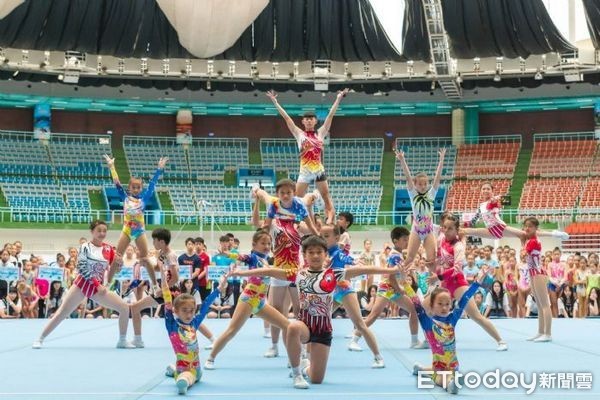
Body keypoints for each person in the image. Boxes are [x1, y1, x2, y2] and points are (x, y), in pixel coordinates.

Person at [228, 235, 399, 389]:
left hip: (323, 330)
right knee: (292, 327)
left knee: (317, 379)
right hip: (305, 326)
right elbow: (269, 271)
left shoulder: (335, 274)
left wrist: (392, 271)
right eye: (311, 252)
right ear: (305, 255)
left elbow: (364, 270)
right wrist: (241, 273)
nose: (315, 255)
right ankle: (296, 374)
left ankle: (304, 366)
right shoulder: (298, 274)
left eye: (319, 252)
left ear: (326, 255)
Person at [32, 220, 132, 349]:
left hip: (98, 289)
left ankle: (122, 340)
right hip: (82, 285)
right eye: (99, 231)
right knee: (62, 313)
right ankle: (40, 338)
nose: (102, 233)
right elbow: (82, 268)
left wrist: (120, 263)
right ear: (92, 232)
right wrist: (97, 285)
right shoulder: (85, 247)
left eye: (104, 231)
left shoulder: (109, 249)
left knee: (124, 307)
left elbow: (115, 269)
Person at [204, 230, 292, 370]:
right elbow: (241, 256)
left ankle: (294, 359)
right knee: (232, 331)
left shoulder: (266, 261)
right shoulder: (253, 257)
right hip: (249, 298)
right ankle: (211, 358)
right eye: (263, 243)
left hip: (261, 302)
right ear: (254, 244)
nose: (267, 246)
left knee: (288, 325)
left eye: (269, 243)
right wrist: (227, 253)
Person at [252, 179, 319, 358]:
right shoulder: (273, 223)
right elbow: (259, 224)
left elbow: (313, 230)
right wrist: (257, 196)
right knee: (275, 308)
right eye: (282, 193)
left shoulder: (299, 224)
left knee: (298, 309)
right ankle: (274, 346)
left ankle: (302, 347)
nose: (285, 196)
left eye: (289, 192)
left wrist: (311, 205)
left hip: (296, 271)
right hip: (278, 270)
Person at [266, 88, 349, 224]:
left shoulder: (320, 133)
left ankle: (330, 219)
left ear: (315, 121)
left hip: (318, 170)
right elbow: (286, 118)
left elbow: (330, 116)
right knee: (297, 198)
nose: (309, 121)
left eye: (311, 119)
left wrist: (338, 98)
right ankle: (293, 221)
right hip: (304, 171)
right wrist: (275, 102)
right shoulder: (299, 134)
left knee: (326, 195)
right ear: (303, 122)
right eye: (306, 119)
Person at [430, 214, 508, 351]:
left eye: (450, 229)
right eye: (445, 227)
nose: (446, 231)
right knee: (429, 310)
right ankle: (431, 339)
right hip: (445, 284)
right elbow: (439, 257)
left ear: (456, 230)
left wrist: (439, 277)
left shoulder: (459, 246)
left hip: (458, 284)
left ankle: (500, 340)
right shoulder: (441, 238)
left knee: (476, 316)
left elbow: (457, 268)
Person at [408, 267, 488, 394]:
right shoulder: (428, 322)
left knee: (449, 374)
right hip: (438, 369)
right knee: (441, 377)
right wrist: (406, 285)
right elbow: (417, 304)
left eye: (447, 304)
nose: (444, 307)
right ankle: (451, 385)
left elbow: (465, 298)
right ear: (432, 305)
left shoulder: (452, 319)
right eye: (440, 304)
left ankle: (421, 369)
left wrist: (477, 282)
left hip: (453, 366)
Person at [349, 227, 427, 350]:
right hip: (387, 288)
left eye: (408, 239)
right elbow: (390, 277)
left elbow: (397, 274)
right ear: (396, 241)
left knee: (414, 310)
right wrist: (400, 289)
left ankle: (414, 340)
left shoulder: (399, 254)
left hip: (394, 289)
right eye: (404, 239)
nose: (407, 242)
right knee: (373, 315)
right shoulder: (395, 255)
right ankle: (354, 339)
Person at [321, 224, 385, 368]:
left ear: (337, 238)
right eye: (322, 236)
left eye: (326, 236)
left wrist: (355, 261)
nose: (323, 239)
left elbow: (346, 257)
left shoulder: (337, 253)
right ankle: (305, 357)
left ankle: (378, 357)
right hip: (333, 291)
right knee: (318, 320)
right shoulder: (325, 252)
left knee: (360, 324)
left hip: (344, 290)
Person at [104, 154, 168, 295]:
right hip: (126, 230)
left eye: (138, 187)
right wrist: (111, 167)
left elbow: (153, 184)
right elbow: (116, 182)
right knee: (117, 257)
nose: (136, 189)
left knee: (145, 259)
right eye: (133, 187)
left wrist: (159, 169)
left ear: (141, 188)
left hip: (139, 232)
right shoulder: (124, 197)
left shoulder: (144, 198)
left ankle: (155, 285)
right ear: (130, 187)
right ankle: (108, 283)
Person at [161, 265, 220, 395]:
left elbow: (205, 306)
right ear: (176, 311)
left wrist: (218, 289)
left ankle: (174, 371)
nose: (189, 315)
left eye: (192, 311)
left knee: (194, 375)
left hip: (197, 368)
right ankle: (182, 379)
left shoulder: (194, 323)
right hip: (184, 368)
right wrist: (163, 279)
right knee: (186, 376)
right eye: (184, 311)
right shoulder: (172, 325)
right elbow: (167, 301)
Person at [394, 148, 445, 271]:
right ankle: (400, 277)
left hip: (429, 231)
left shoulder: (431, 194)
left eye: (425, 184)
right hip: (416, 230)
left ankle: (433, 282)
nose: (422, 186)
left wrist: (442, 160)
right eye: (420, 184)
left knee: (431, 259)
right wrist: (402, 160)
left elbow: (437, 178)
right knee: (410, 258)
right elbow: (408, 177)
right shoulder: (413, 194)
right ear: (415, 185)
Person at [464, 182, 568, 241]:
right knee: (468, 231)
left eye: (488, 189)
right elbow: (473, 221)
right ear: (481, 191)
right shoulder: (481, 206)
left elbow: (506, 201)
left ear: (492, 191)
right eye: (483, 189)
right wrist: (464, 223)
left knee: (526, 234)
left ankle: (555, 234)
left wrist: (496, 201)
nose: (486, 190)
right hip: (491, 231)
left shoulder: (495, 199)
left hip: (499, 227)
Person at [130, 228, 180, 348]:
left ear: (162, 242)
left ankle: (211, 338)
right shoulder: (161, 254)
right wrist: (146, 263)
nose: (153, 243)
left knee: (185, 317)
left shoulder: (170, 255)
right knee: (135, 308)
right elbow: (158, 269)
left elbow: (176, 278)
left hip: (171, 291)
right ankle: (138, 339)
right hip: (164, 289)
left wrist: (163, 290)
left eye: (154, 240)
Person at [522, 217, 552, 342]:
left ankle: (548, 334)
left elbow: (523, 254)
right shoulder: (530, 240)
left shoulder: (533, 241)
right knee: (539, 305)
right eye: (525, 226)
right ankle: (540, 332)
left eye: (530, 226)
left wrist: (521, 241)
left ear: (535, 228)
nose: (527, 228)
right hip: (533, 272)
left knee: (545, 304)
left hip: (538, 273)